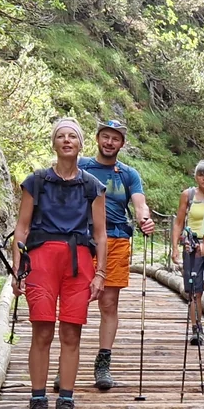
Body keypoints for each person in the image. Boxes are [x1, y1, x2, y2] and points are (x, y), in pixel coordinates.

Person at [11, 118, 108, 409]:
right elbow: (22, 227)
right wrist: (17, 267)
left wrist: (101, 273)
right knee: (42, 331)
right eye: (61, 136)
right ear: (54, 143)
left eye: (73, 137)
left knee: (71, 333)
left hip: (78, 261)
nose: (67, 141)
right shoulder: (36, 181)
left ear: (81, 144)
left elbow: (102, 234)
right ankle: (37, 400)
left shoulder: (93, 186)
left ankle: (66, 401)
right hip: (41, 259)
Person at [77, 118, 155, 392]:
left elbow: (139, 204)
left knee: (108, 303)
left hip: (116, 239)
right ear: (98, 138)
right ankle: (68, 364)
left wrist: (144, 219)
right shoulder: (81, 166)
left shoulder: (128, 174)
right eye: (106, 137)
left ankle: (103, 362)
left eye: (115, 138)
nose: (110, 142)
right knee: (76, 301)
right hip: (82, 240)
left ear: (122, 143)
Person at [172, 160, 204, 346]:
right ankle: (196, 329)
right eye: (201, 174)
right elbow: (179, 221)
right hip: (192, 247)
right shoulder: (188, 195)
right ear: (196, 177)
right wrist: (175, 247)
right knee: (194, 291)